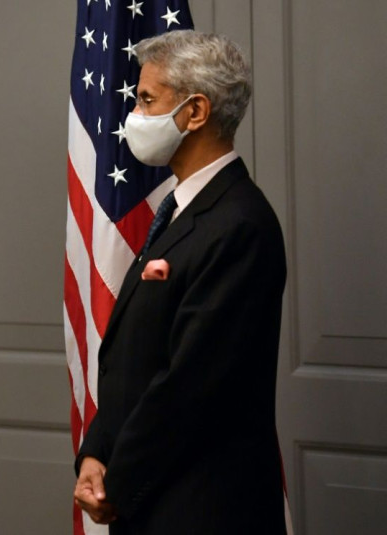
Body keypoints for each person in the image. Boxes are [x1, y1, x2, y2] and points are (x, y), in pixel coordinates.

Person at [73, 30, 288, 534]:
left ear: (195, 113)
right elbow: (133, 355)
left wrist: (117, 485)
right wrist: (95, 453)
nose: (135, 115)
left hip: (202, 506)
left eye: (147, 100)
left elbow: (191, 383)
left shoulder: (238, 224)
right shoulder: (179, 209)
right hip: (153, 496)